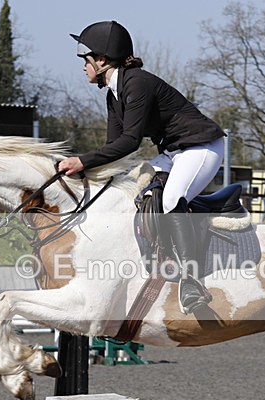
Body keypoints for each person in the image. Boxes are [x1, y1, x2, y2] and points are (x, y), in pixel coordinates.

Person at [58, 21, 225, 314]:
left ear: (101, 59)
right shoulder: (114, 94)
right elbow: (113, 148)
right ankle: (158, 258)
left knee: (172, 199)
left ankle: (191, 281)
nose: (83, 67)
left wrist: (82, 160)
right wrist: (82, 170)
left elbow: (130, 142)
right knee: (135, 191)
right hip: (174, 152)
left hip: (201, 147)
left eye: (85, 60)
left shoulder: (137, 83)